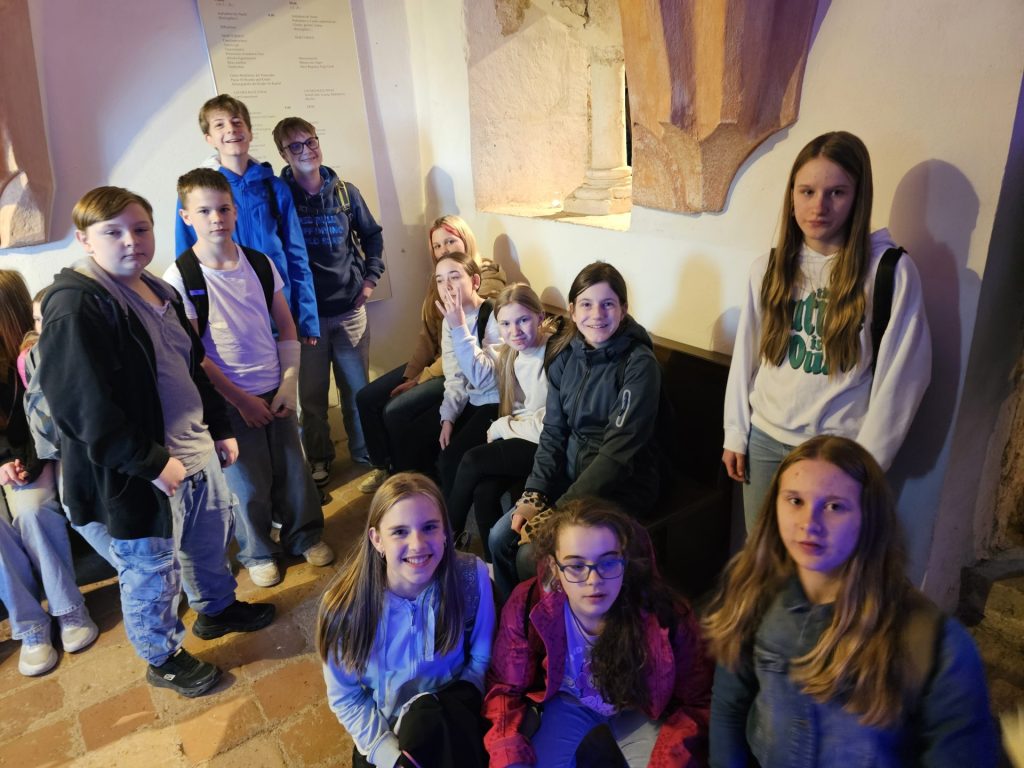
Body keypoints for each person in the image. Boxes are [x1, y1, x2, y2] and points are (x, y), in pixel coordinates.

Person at [40, 186, 274, 697]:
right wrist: (149, 462)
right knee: (152, 572)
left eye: (140, 228)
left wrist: (219, 428)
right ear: (85, 239)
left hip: (196, 450)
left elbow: (191, 365)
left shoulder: (158, 288)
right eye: (113, 232)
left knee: (210, 543)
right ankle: (161, 657)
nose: (131, 241)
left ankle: (216, 610)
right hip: (139, 476)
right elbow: (80, 407)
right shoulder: (75, 306)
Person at [703, 435, 999, 767]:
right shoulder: (752, 594)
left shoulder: (937, 644)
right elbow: (729, 706)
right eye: (795, 500)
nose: (809, 524)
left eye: (834, 506)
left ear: (869, 517)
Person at [722, 131, 931, 531]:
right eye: (807, 191)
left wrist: (869, 462)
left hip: (837, 450)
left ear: (858, 197)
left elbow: (904, 377)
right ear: (792, 196)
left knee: (823, 557)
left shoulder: (888, 272)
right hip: (765, 440)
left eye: (836, 192)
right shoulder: (767, 269)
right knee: (763, 558)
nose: (819, 206)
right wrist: (735, 431)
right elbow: (746, 356)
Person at [164, 168, 334, 588]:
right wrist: (240, 400)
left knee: (293, 469)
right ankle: (257, 549)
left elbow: (286, 326)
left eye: (224, 208)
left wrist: (288, 383)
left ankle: (304, 534)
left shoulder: (259, 263)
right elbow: (195, 353)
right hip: (227, 398)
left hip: (275, 386)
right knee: (245, 482)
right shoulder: (181, 278)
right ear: (187, 216)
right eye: (205, 211)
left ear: (235, 211)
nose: (216, 218)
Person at [484, 498, 712, 768]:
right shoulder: (527, 604)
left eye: (608, 562)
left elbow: (698, 698)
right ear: (555, 567)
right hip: (567, 702)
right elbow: (505, 688)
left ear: (625, 561)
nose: (594, 581)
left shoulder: (664, 612)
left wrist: (670, 758)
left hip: (638, 706)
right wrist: (508, 753)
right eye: (576, 566)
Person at [489, 262, 661, 600]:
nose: (596, 314)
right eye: (586, 304)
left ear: (623, 309)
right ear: (572, 310)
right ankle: (517, 618)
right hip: (571, 477)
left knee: (530, 555)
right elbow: (553, 432)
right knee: (499, 537)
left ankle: (555, 621)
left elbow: (616, 455)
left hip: (622, 485)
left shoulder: (639, 365)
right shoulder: (566, 357)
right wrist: (534, 494)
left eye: (608, 304)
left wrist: (560, 512)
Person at [317, 472, 495, 768]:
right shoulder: (343, 609)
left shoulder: (471, 577)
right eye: (399, 531)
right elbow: (346, 696)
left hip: (454, 711)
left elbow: (481, 657)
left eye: (429, 527)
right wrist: (390, 756)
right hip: (385, 733)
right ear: (377, 539)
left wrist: (458, 707)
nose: (417, 545)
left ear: (445, 531)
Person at [356, 215, 505, 493]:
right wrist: (411, 374)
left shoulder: (487, 290)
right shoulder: (438, 286)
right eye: (437, 246)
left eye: (450, 241)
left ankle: (414, 482)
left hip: (471, 380)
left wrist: (422, 378)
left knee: (397, 412)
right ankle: (394, 473)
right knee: (367, 398)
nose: (444, 249)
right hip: (451, 368)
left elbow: (479, 373)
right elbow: (427, 337)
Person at [273, 116, 386, 485]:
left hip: (350, 311)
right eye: (296, 145)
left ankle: (365, 453)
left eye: (311, 141)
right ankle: (320, 459)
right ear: (283, 154)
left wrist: (369, 281)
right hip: (306, 319)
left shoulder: (345, 193)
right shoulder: (279, 198)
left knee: (358, 392)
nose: (307, 150)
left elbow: (372, 236)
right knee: (312, 399)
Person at [0, 270, 99, 676]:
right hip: (5, 464)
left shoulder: (36, 352)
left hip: (31, 459)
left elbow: (42, 422)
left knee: (34, 510)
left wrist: (20, 462)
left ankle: (69, 610)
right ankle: (30, 627)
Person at [174, 94, 319, 343]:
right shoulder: (196, 193)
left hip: (280, 314)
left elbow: (297, 256)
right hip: (227, 318)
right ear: (209, 138)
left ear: (250, 132)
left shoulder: (275, 188)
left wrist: (308, 318)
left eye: (237, 122)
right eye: (220, 125)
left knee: (289, 368)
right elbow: (186, 260)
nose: (231, 129)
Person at [446, 283, 551, 559]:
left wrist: (502, 426)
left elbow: (548, 428)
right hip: (524, 433)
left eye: (523, 320)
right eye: (505, 324)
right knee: (484, 492)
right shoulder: (511, 352)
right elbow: (477, 369)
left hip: (546, 446)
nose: (514, 331)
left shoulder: (550, 356)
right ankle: (494, 566)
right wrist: (458, 328)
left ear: (540, 317)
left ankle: (446, 541)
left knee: (472, 460)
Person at [434, 250, 502, 499]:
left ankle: (452, 519)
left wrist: (460, 327)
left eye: (454, 277)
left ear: (474, 281)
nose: (446, 286)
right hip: (473, 398)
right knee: (428, 438)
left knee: (451, 459)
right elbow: (454, 376)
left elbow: (485, 379)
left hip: (497, 401)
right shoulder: (449, 321)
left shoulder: (494, 314)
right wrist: (448, 416)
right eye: (440, 280)